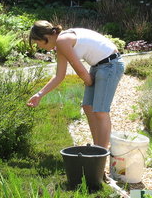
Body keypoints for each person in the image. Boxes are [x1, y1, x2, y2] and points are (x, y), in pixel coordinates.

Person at [27, 20, 125, 149]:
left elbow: (79, 70)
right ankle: (98, 149)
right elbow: (59, 76)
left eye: (37, 43)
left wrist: (89, 81)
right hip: (99, 66)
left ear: (45, 37)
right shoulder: (60, 44)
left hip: (111, 64)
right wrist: (39, 94)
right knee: (88, 107)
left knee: (101, 111)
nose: (39, 47)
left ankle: (100, 155)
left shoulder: (63, 41)